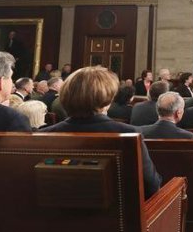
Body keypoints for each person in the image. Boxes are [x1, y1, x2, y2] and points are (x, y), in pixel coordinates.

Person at [40, 66, 162, 199]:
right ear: (108, 100)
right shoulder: (128, 133)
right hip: (118, 215)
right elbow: (151, 185)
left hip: (55, 214)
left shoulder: (44, 134)